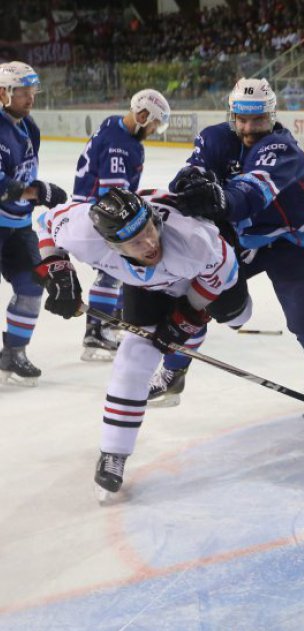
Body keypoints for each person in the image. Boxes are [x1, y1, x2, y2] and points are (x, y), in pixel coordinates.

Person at [148, 77, 304, 415]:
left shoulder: (284, 149)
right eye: (242, 119)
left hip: (295, 241)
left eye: (258, 120)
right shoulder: (215, 139)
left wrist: (218, 197)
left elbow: (251, 195)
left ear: (272, 115)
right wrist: (189, 185)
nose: (249, 127)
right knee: (193, 295)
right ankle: (174, 371)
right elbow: (189, 174)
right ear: (233, 115)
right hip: (243, 239)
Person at [33, 188, 241, 499]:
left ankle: (181, 359)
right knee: (133, 360)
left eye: (149, 230)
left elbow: (225, 269)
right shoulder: (83, 233)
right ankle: (113, 453)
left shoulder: (193, 240)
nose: (150, 243)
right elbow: (45, 222)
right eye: (135, 241)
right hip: (144, 286)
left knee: (237, 314)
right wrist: (58, 269)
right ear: (111, 246)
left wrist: (188, 313)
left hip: (197, 277)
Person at [72, 88, 172, 361]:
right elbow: (113, 193)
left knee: (121, 268)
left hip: (88, 208)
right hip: (95, 214)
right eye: (153, 123)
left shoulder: (115, 125)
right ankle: (97, 331)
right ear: (142, 115)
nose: (153, 130)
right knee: (112, 270)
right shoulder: (122, 144)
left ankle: (109, 322)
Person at [0, 61, 68, 386]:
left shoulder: (30, 128)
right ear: (3, 93)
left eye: (32, 92)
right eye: (23, 92)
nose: (30, 98)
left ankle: (14, 353)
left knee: (30, 285)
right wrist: (37, 192)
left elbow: (25, 174)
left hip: (19, 225)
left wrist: (37, 189)